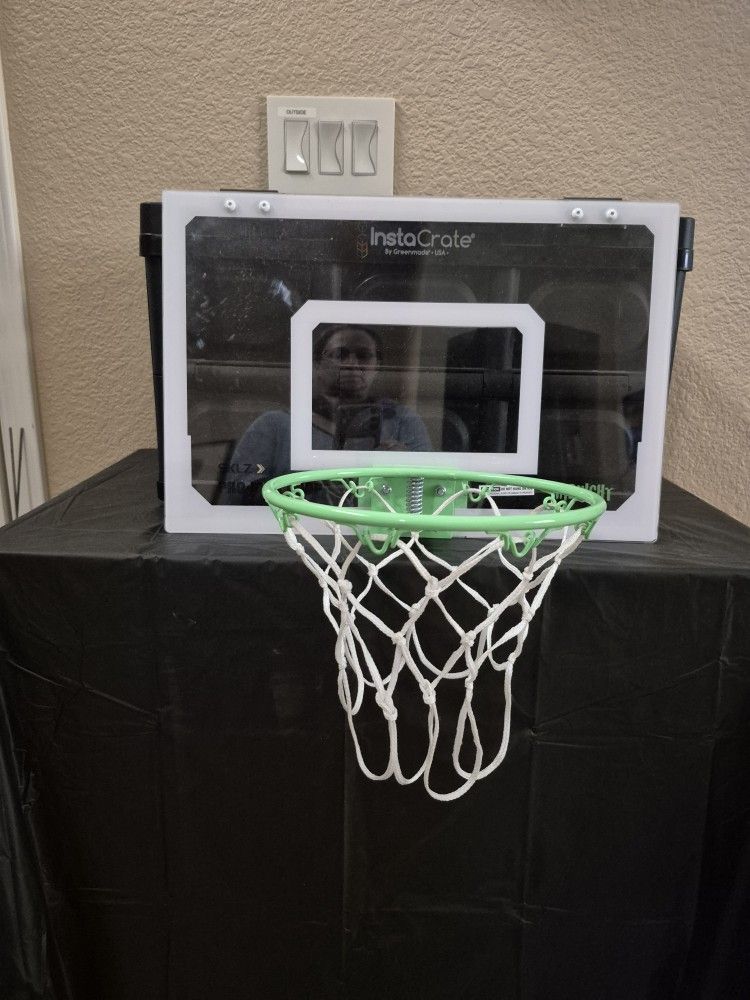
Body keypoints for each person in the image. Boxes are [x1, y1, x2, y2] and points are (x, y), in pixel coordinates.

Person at [220, 324, 431, 503]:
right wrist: (316, 483)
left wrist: (403, 471)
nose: (351, 364)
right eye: (340, 354)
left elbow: (428, 498)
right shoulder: (274, 426)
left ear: (377, 366)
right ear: (317, 365)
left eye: (364, 356)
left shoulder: (404, 423)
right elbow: (237, 499)